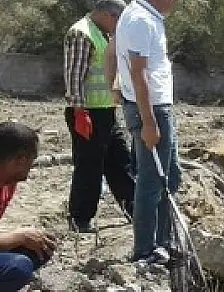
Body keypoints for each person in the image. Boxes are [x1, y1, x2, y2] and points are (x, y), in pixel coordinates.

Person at [116, 0, 180, 265]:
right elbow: (138, 72)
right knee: (151, 181)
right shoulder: (141, 20)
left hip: (156, 109)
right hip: (152, 111)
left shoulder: (145, 17)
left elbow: (117, 56)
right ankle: (145, 250)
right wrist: (149, 122)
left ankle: (163, 240)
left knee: (172, 175)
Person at [64, 0, 135, 234]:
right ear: (105, 14)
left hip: (105, 112)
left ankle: (135, 210)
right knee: (89, 166)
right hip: (87, 113)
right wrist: (79, 112)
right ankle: (80, 218)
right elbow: (75, 76)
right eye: (117, 20)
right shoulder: (81, 33)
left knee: (120, 161)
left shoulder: (103, 34)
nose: (118, 26)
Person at [0, 123, 57, 292]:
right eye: (30, 161)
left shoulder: (7, 180)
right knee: (18, 266)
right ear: (20, 159)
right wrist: (19, 236)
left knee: (40, 247)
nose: (30, 167)